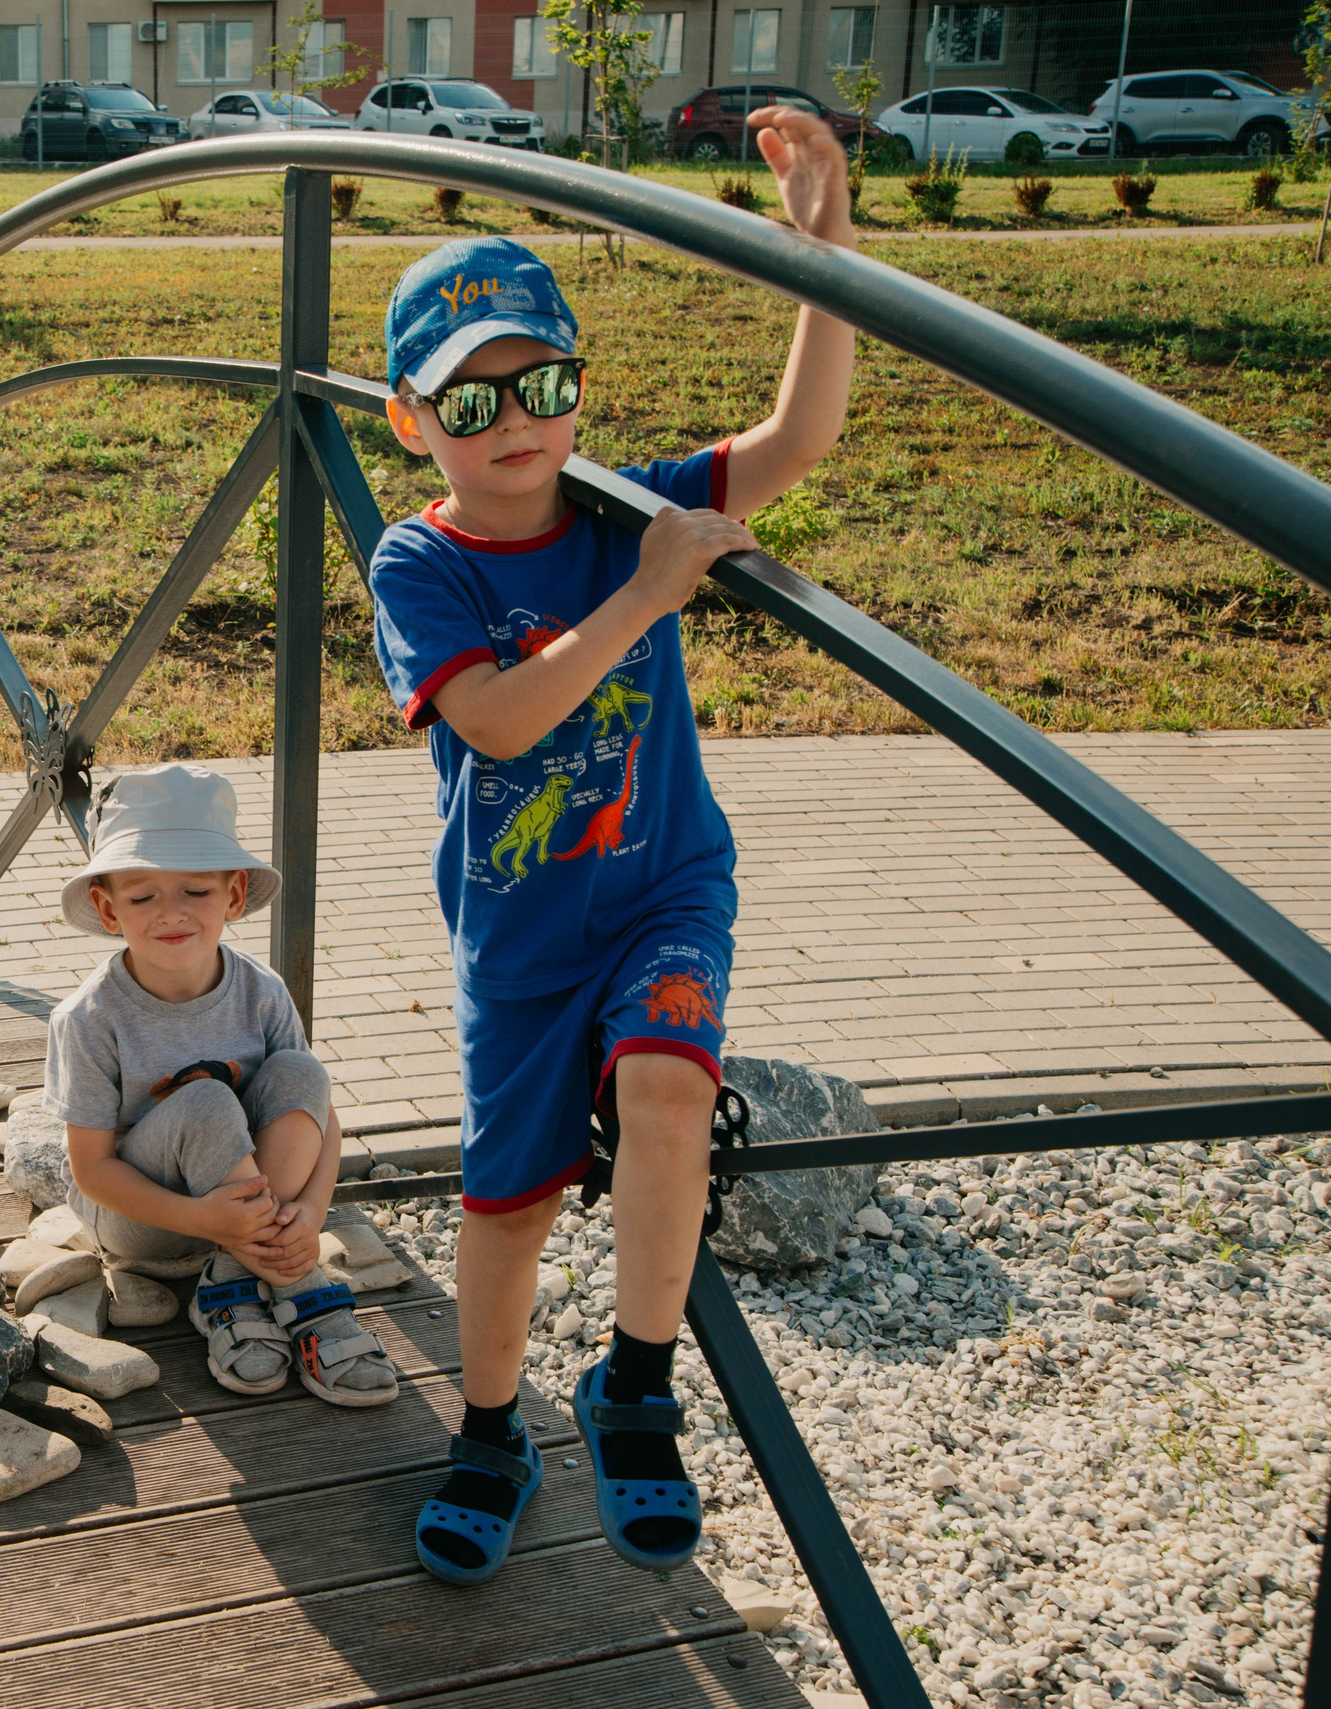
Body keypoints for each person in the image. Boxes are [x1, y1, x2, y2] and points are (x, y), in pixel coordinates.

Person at [367, 106, 858, 1586]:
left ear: (580, 389)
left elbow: (800, 440)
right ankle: (495, 1421)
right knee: (505, 1201)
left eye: (544, 382)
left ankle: (638, 1387)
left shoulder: (625, 501)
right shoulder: (421, 559)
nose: (515, 420)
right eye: (470, 401)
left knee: (666, 1088)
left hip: (660, 885)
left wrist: (826, 250)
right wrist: (647, 596)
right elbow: (504, 726)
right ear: (410, 421)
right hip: (520, 935)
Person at [43, 764, 401, 1407]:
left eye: (196, 891)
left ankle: (235, 1276)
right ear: (106, 907)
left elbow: (318, 1111)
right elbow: (93, 1171)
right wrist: (202, 1217)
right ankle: (298, 1290)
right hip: (146, 1219)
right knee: (206, 1099)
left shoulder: (261, 992)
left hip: (244, 1207)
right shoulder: (90, 1019)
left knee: (302, 1072)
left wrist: (313, 1213)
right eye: (143, 895)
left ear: (234, 895)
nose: (172, 913)